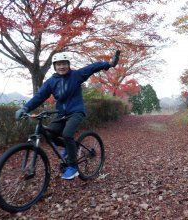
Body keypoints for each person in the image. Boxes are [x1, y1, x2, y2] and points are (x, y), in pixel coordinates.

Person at [15, 50, 120, 180]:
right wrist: (26, 107)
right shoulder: (51, 82)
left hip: (76, 111)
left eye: (64, 63)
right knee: (50, 134)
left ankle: (73, 166)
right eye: (58, 64)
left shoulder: (76, 75)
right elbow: (39, 96)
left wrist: (109, 64)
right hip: (61, 114)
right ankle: (71, 148)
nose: (61, 66)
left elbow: (91, 68)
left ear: (68, 64)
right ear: (54, 66)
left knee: (67, 134)